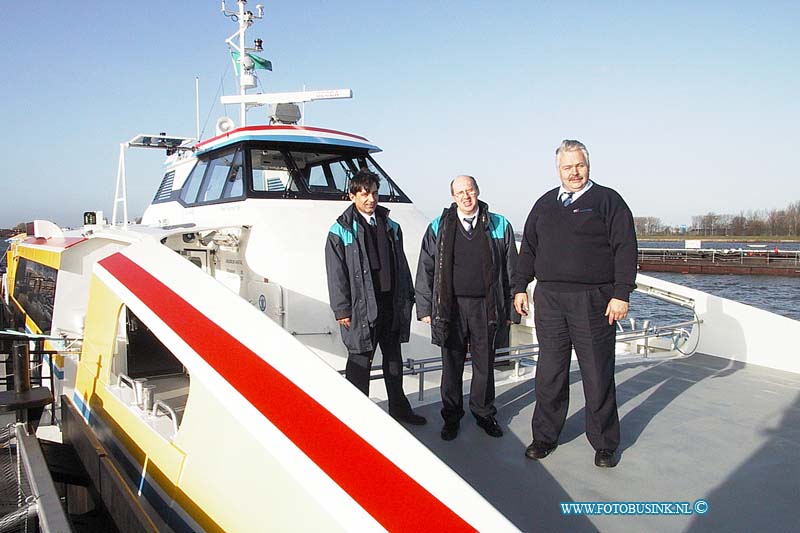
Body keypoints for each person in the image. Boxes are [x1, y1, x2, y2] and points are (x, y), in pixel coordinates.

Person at [512, 140, 637, 468]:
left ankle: (605, 442)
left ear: (588, 165)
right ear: (558, 170)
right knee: (550, 371)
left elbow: (626, 248)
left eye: (579, 165)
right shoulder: (544, 204)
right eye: (567, 167)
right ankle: (545, 436)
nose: (574, 172)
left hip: (593, 299)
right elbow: (529, 249)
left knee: (596, 371)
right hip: (550, 299)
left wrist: (621, 293)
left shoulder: (608, 201)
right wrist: (520, 286)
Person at [416, 175, 518, 440]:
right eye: (460, 192)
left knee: (485, 363)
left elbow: (511, 270)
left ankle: (484, 413)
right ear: (453, 197)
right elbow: (426, 268)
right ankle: (451, 416)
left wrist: (511, 310)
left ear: (478, 191)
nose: (465, 196)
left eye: (469, 190)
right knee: (452, 364)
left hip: (487, 306)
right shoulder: (438, 226)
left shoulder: (499, 224)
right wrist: (425, 307)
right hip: (451, 307)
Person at [325, 168, 426, 425]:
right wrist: (342, 309)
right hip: (361, 308)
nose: (370, 199)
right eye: (364, 193)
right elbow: (336, 273)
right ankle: (356, 418)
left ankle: (400, 409)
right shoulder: (340, 231)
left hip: (390, 304)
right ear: (352, 196)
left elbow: (401, 266)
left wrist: (408, 297)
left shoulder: (392, 227)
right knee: (360, 361)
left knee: (394, 360)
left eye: (374, 193)